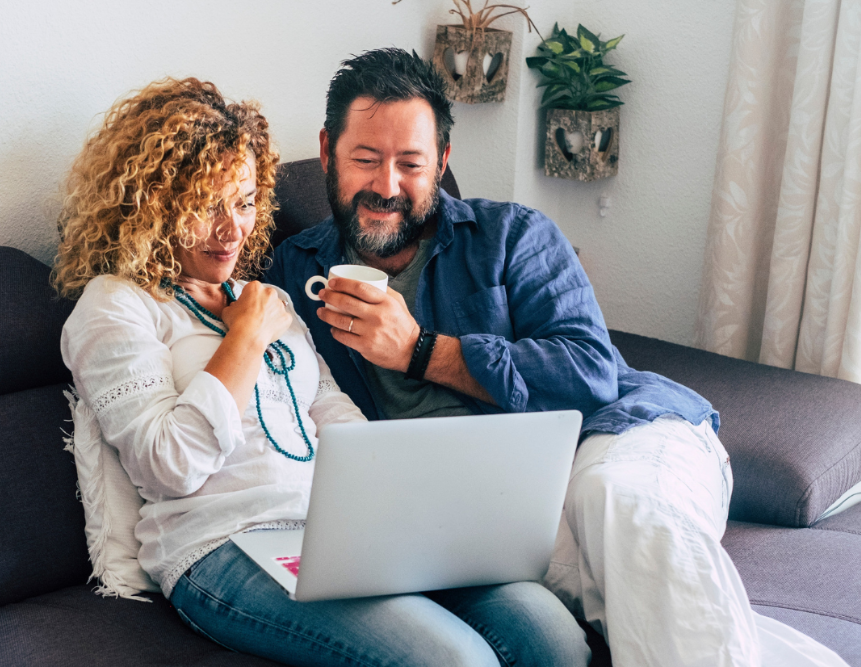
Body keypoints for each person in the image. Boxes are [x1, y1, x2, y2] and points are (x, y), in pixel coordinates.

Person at [265, 49, 852, 667]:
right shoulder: (292, 273)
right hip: (487, 514)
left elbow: (589, 375)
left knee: (616, 505)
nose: (387, 186)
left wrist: (419, 351)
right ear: (328, 152)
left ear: (441, 162)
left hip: (620, 436)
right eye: (366, 160)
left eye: (410, 163)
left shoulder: (512, 236)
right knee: (629, 600)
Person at [53, 77, 591, 667]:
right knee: (453, 660)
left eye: (245, 200)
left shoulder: (266, 299)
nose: (232, 229)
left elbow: (332, 413)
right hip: (220, 544)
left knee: (551, 635)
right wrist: (244, 339)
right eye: (206, 206)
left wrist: (403, 508)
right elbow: (166, 467)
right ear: (153, 203)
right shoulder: (115, 305)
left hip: (332, 531)